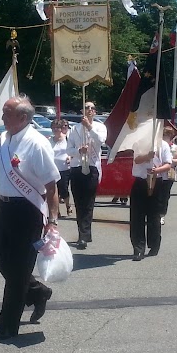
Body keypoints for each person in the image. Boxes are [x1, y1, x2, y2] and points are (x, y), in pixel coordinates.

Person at [0, 96, 60, 341]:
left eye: (6, 113)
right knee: (3, 261)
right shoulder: (2, 140)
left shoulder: (37, 144)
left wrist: (52, 221)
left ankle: (7, 326)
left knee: (19, 269)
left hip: (28, 211)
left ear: (22, 117)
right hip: (4, 208)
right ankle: (37, 292)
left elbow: (51, 187)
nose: (2, 117)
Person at [128, 124, 174, 261]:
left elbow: (168, 164)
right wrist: (147, 156)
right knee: (137, 216)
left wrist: (157, 170)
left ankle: (154, 244)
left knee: (154, 216)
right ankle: (138, 248)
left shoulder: (163, 145)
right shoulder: (138, 143)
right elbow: (136, 159)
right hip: (140, 182)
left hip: (156, 182)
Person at [66, 101, 107, 250]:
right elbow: (68, 150)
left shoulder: (100, 127)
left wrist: (89, 127)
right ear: (82, 111)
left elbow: (101, 141)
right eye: (86, 108)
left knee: (88, 202)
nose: (89, 110)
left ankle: (83, 236)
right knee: (79, 202)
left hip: (92, 167)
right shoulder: (74, 129)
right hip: (77, 167)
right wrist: (78, 150)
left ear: (95, 112)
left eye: (92, 108)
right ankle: (83, 233)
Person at [50, 118, 74, 217]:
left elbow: (73, 151)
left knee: (64, 189)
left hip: (65, 168)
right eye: (54, 128)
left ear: (61, 129)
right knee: (55, 191)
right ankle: (57, 211)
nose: (55, 130)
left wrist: (70, 157)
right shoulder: (49, 140)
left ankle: (68, 205)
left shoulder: (67, 139)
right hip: (53, 169)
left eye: (57, 128)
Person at [159, 125, 177, 224]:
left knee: (165, 195)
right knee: (156, 195)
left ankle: (161, 215)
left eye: (168, 135)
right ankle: (154, 213)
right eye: (164, 134)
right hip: (158, 173)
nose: (166, 137)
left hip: (169, 174)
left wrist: (169, 159)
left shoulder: (174, 147)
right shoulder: (158, 146)